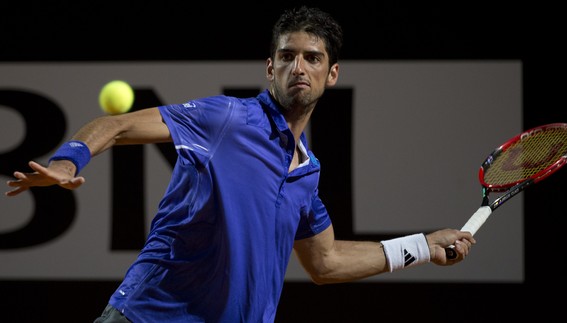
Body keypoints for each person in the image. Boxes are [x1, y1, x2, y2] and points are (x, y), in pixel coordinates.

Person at [5, 6, 475, 323]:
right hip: (150, 316)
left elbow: (326, 263)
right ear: (269, 68)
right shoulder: (228, 119)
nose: (299, 68)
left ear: (331, 75)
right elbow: (117, 125)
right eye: (287, 57)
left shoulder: (306, 171)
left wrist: (423, 245)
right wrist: (68, 162)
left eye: (313, 59)